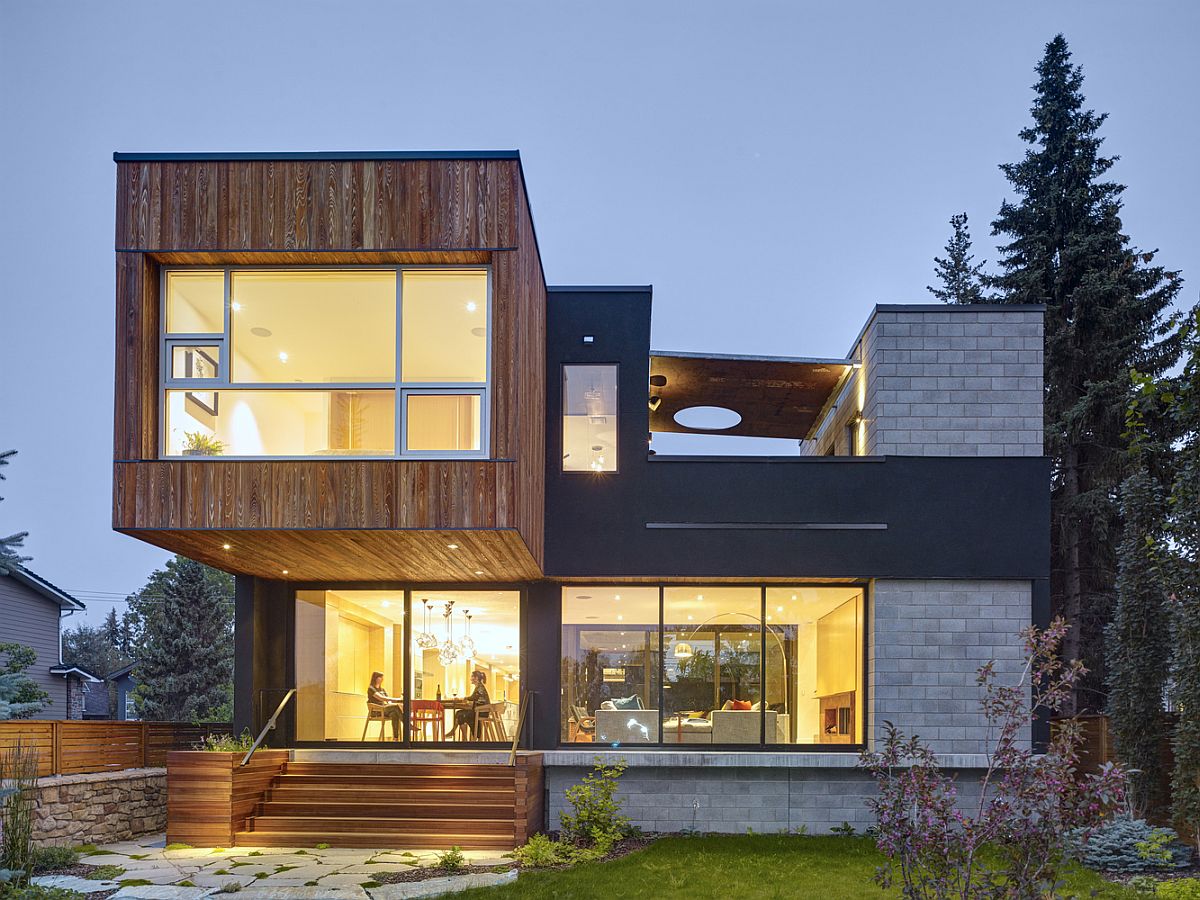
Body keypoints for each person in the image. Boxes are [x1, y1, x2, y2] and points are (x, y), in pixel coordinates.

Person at [452, 670, 491, 741]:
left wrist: (465, 698)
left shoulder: (480, 687)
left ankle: (464, 738)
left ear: (476, 678)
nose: (470, 678)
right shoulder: (480, 687)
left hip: (481, 712)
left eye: (472, 676)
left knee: (460, 714)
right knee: (459, 713)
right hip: (481, 711)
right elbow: (476, 698)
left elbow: (473, 698)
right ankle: (461, 736)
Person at [367, 672, 402, 741]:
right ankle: (407, 724)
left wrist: (392, 703)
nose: (382, 679)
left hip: (384, 710)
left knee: (394, 714)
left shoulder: (382, 690)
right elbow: (382, 698)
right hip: (376, 711)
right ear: (376, 678)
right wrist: (397, 700)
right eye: (381, 677)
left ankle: (395, 738)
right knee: (396, 707)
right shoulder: (371, 688)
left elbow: (388, 701)